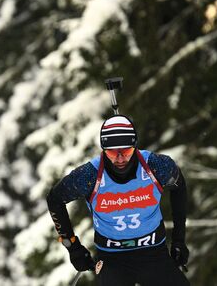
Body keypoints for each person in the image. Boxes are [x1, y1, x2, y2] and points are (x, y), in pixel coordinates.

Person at [46, 115, 190, 285]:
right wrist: (73, 247)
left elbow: (179, 187)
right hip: (112, 258)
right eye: (112, 152)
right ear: (103, 150)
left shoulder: (155, 166)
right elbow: (55, 199)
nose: (120, 159)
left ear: (135, 146)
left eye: (126, 151)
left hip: (153, 253)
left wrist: (179, 240)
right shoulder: (90, 175)